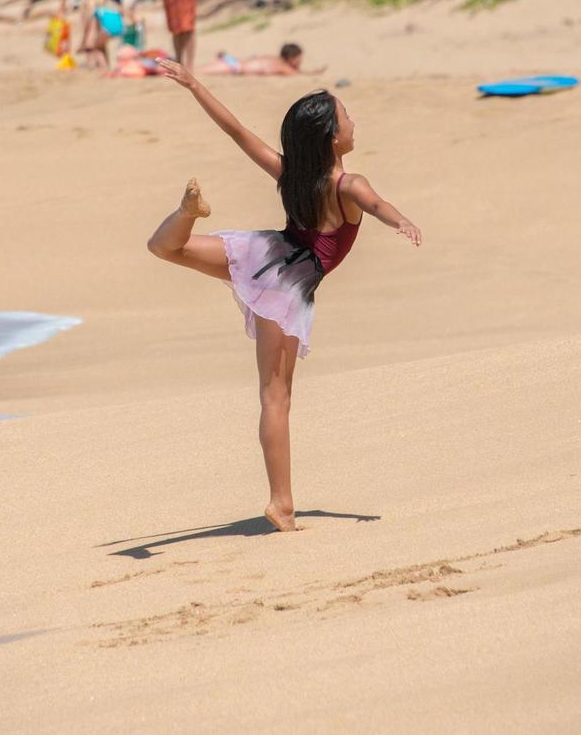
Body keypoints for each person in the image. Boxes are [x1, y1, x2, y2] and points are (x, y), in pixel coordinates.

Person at [145, 59, 422, 532]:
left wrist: (195, 85)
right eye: (347, 116)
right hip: (287, 281)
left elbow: (237, 131)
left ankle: (187, 213)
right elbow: (374, 203)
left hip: (267, 252)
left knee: (165, 246)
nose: (354, 122)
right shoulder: (348, 184)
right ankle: (282, 504)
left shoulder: (289, 172)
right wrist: (400, 221)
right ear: (333, 138)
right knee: (276, 396)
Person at [198, 43, 324, 76]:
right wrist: (312, 73)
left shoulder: (274, 59)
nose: (300, 62)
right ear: (291, 58)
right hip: (235, 67)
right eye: (298, 59)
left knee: (194, 70)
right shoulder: (282, 66)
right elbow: (295, 74)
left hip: (234, 61)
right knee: (194, 72)